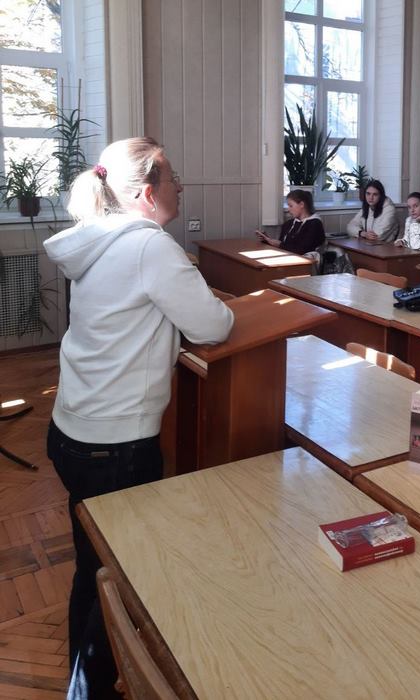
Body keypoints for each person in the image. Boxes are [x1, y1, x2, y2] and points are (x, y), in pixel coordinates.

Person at [43, 137, 235, 697]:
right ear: (148, 194)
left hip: (72, 432)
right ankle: (92, 689)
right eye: (174, 179)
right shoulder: (150, 246)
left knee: (93, 569)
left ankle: (84, 683)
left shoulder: (98, 238)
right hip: (116, 447)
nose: (181, 187)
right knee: (124, 581)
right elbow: (214, 326)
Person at [256, 189, 325, 254]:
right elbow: (283, 246)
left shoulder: (315, 224)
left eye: (291, 206)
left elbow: (302, 250)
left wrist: (279, 244)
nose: (288, 209)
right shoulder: (288, 224)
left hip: (305, 260)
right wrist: (267, 240)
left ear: (301, 204)